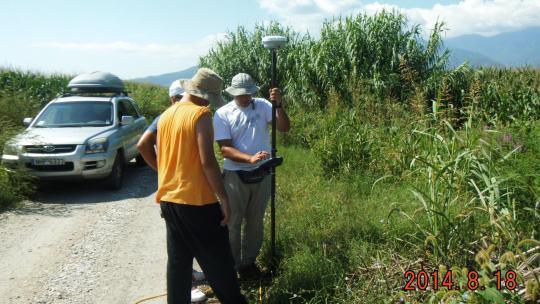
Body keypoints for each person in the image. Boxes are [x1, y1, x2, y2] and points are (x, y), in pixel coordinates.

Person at [156, 68, 247, 304]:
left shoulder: (167, 115)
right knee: (219, 262)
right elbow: (207, 162)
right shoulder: (200, 115)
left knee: (178, 263)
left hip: (170, 200)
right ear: (205, 94)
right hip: (197, 202)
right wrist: (224, 199)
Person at [213, 73, 291, 277]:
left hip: (262, 173)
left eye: (249, 93)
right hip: (235, 175)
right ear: (233, 93)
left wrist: (279, 105)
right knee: (232, 222)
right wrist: (249, 158)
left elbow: (284, 128)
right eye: (241, 94)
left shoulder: (264, 105)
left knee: (255, 222)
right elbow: (225, 150)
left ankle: (249, 263)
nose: (246, 98)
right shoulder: (222, 113)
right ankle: (231, 267)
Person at [136, 80, 207, 302]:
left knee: (178, 252)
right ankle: (193, 284)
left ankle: (186, 287)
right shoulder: (189, 115)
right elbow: (143, 144)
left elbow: (142, 145)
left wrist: (162, 169)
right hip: (189, 192)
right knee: (197, 246)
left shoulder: (164, 117)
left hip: (170, 193)